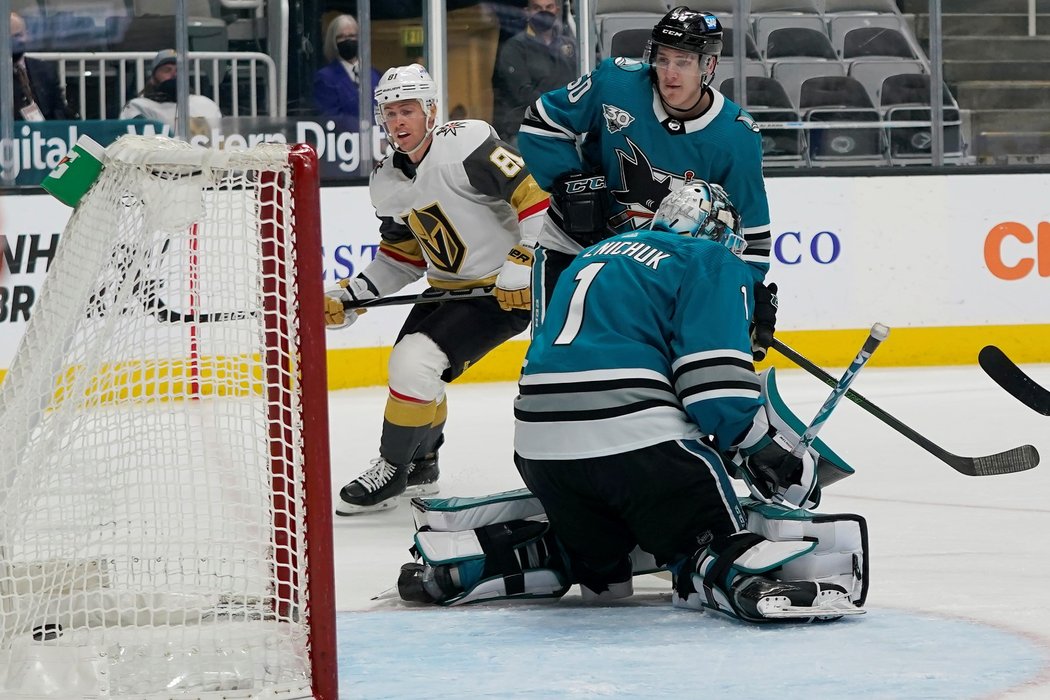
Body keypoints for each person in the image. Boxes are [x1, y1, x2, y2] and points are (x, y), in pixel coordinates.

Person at [395, 183, 867, 622]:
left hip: (541, 450)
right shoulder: (710, 258)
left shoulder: (592, 255)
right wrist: (759, 447)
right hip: (636, 441)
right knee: (706, 536)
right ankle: (740, 579)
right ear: (720, 232)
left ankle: (484, 564)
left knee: (602, 574)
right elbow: (712, 384)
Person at [323, 64, 550, 515]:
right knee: (416, 372)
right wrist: (353, 296)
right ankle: (422, 463)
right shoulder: (387, 180)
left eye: (407, 110)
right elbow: (403, 257)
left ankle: (391, 469)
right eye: (389, 113)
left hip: (499, 292)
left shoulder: (466, 146)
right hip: (448, 290)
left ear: (430, 111)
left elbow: (536, 197)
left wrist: (524, 262)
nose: (398, 122)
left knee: (414, 363)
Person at [517, 6, 778, 361]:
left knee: (644, 370)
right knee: (550, 360)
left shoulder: (736, 136)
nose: (669, 73)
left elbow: (752, 238)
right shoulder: (617, 82)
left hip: (656, 269)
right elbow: (541, 123)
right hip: (574, 245)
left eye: (683, 61)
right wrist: (571, 181)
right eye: (662, 58)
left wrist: (743, 294)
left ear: (709, 67)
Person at [491, 0, 577, 146]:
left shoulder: (571, 46)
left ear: (556, 10)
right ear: (527, 12)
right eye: (537, 8)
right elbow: (524, 93)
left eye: (548, 7)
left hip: (569, 130)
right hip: (528, 132)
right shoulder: (514, 48)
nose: (544, 12)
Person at [119, 49, 223, 141]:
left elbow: (220, 140)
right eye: (167, 70)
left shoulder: (206, 104)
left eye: (180, 70)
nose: (174, 75)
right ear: (153, 77)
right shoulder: (138, 106)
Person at [313, 13, 382, 132]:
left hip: (380, 144)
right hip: (345, 144)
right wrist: (368, 135)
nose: (348, 41)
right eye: (341, 37)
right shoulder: (325, 78)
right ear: (333, 41)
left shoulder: (374, 75)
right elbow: (331, 117)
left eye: (352, 36)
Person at [9, 12, 77, 121]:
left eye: (18, 36)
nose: (14, 42)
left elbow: (59, 110)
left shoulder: (45, 69)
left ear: (27, 35)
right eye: (7, 38)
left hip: (47, 134)